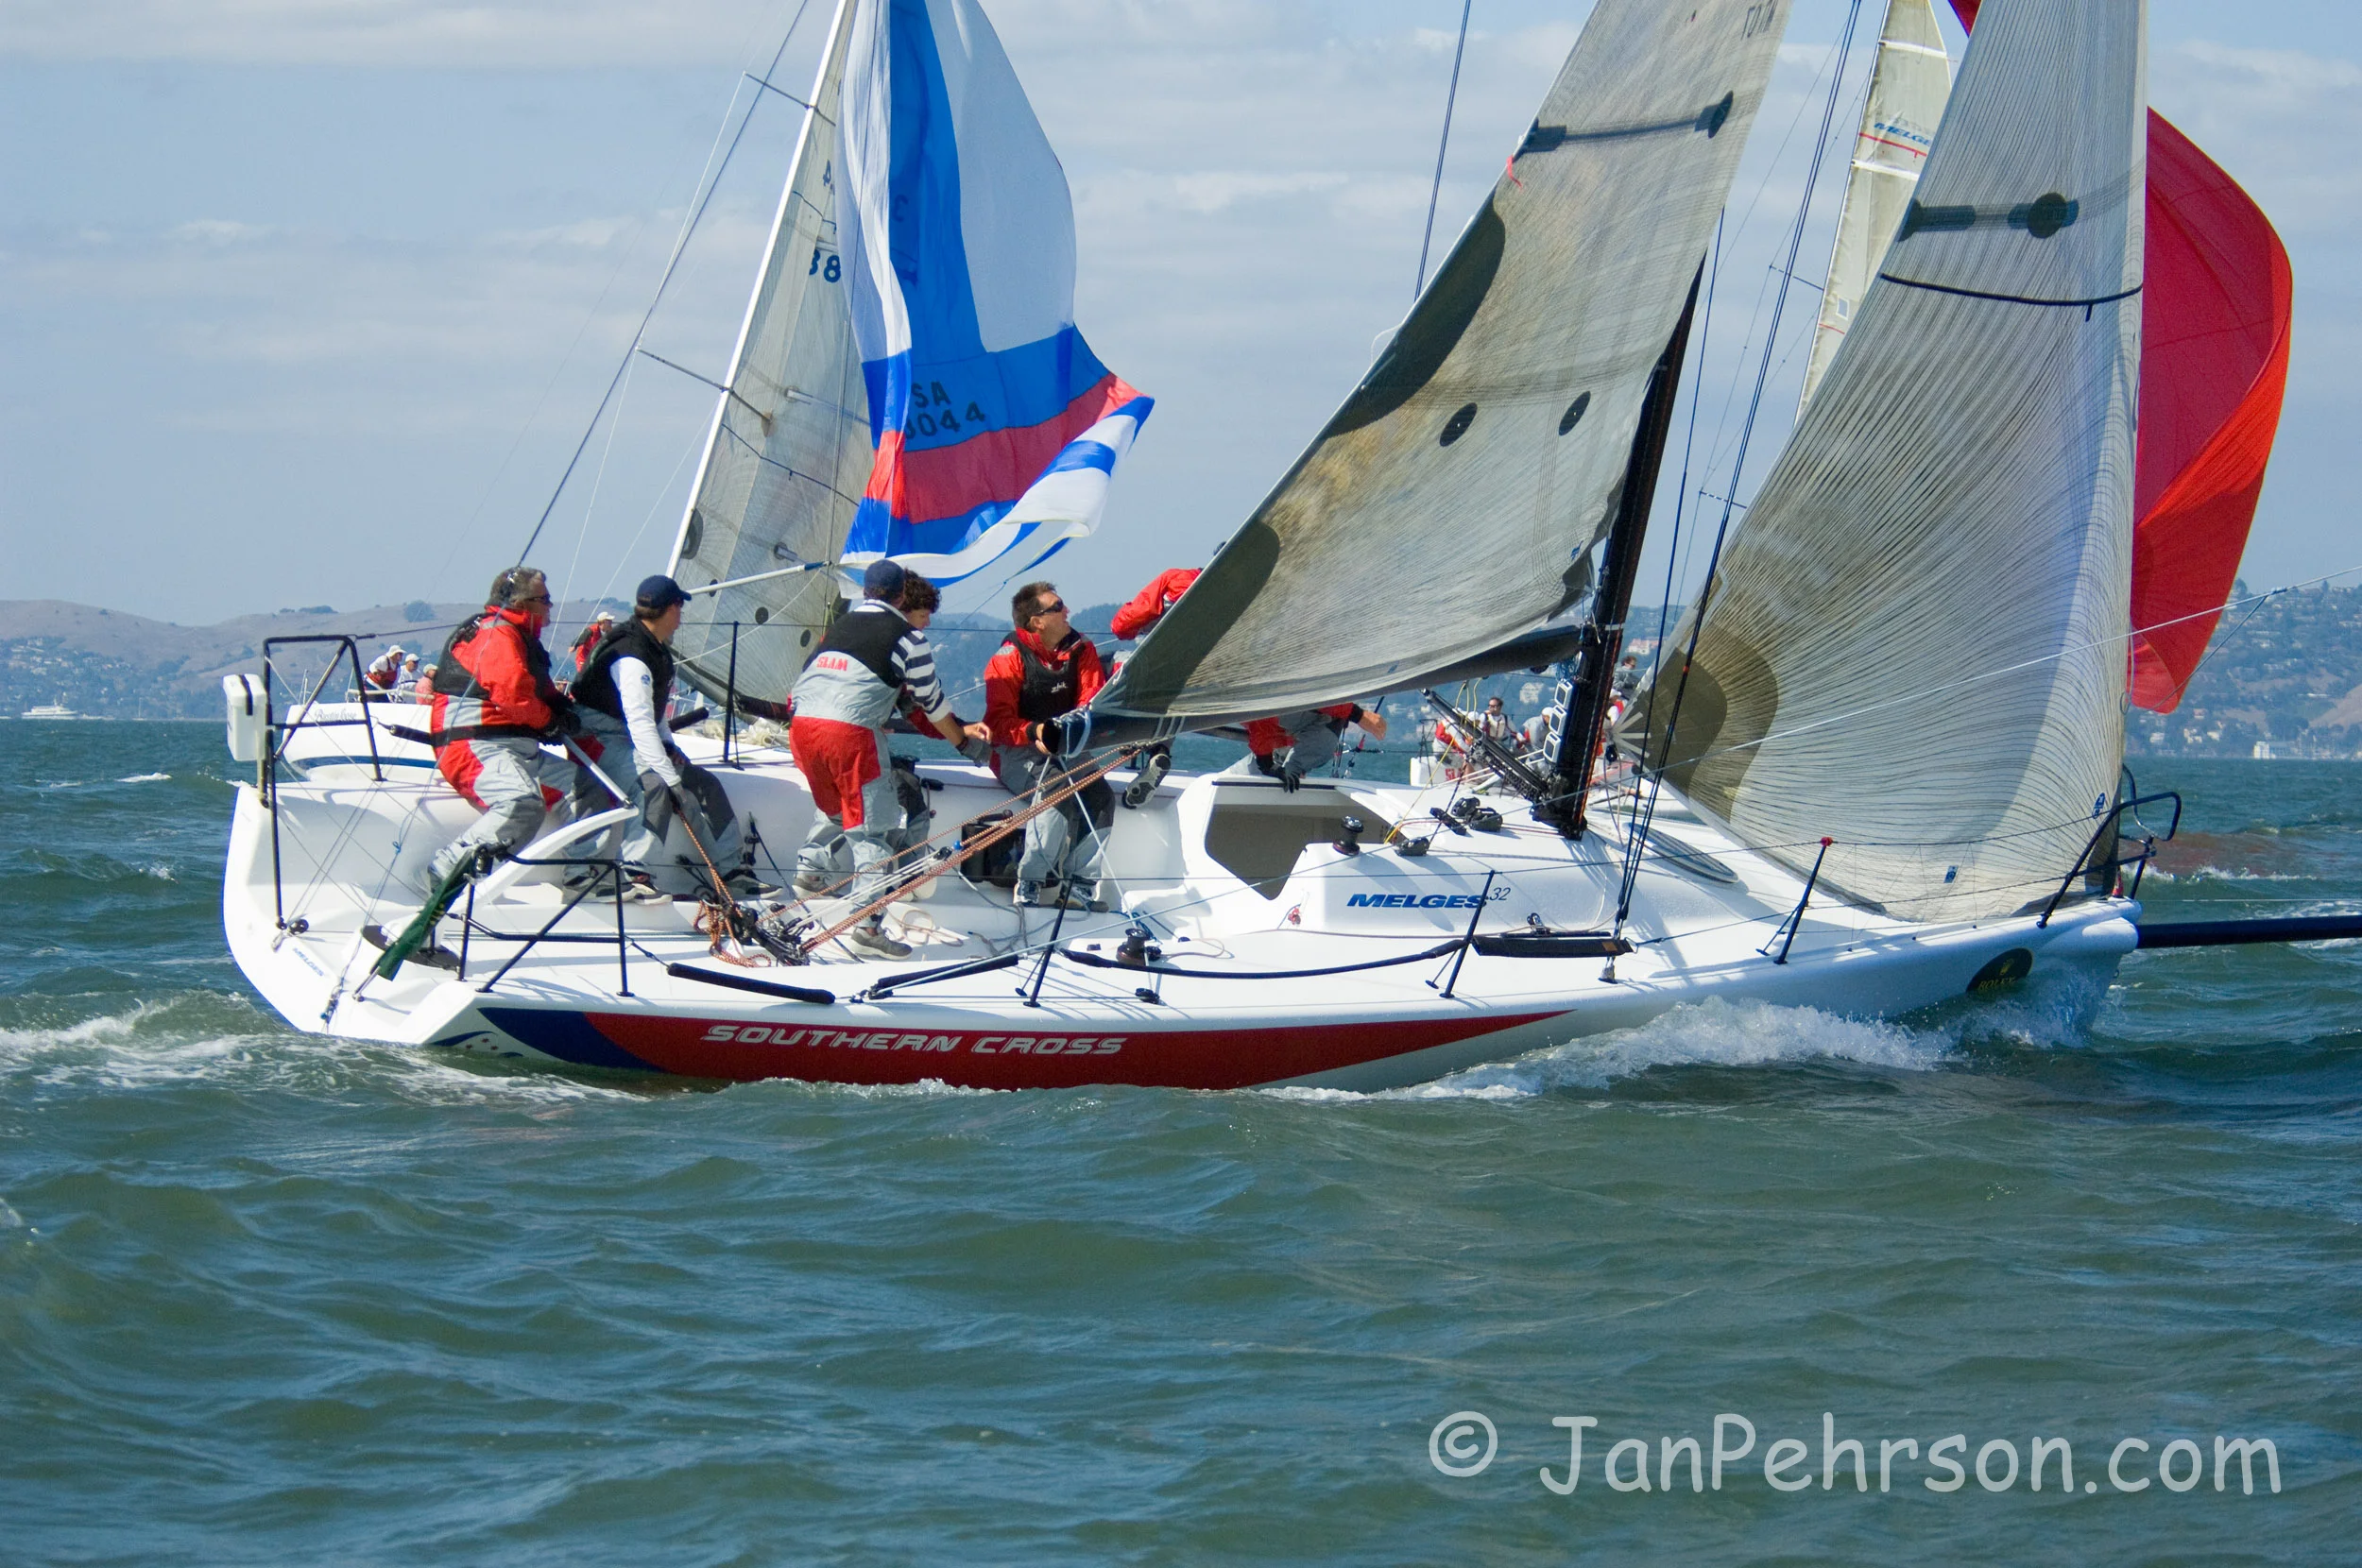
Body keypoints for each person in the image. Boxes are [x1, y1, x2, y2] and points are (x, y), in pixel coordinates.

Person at [790, 560, 987, 958]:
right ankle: (866, 927)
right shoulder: (908, 640)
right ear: (901, 596)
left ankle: (810, 875)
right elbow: (931, 703)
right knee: (873, 830)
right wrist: (964, 744)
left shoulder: (839, 627)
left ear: (866, 591)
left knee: (836, 809)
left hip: (801, 726)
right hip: (849, 733)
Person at [572, 574, 768, 901]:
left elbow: (655, 714)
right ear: (670, 609)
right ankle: (635, 872)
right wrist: (665, 772)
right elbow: (638, 721)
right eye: (679, 607)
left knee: (703, 783)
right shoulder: (633, 655)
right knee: (655, 785)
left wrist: (671, 749)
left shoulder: (653, 647)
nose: (681, 617)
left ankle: (731, 872)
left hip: (626, 733)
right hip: (597, 734)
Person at [421, 567, 581, 887]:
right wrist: (548, 722)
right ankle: (446, 871)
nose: (550, 606)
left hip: (515, 748)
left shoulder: (521, 639)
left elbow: (536, 689)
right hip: (474, 745)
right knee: (521, 802)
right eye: (545, 599)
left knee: (586, 789)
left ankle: (585, 872)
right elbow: (512, 693)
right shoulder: (497, 633)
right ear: (522, 603)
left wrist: (563, 709)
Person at [984, 581, 1111, 909]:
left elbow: (1090, 704)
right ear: (1036, 621)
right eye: (1057, 607)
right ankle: (1029, 882)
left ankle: (1081, 885)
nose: (1067, 610)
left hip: (1067, 746)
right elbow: (998, 723)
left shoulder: (1082, 650)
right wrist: (1034, 732)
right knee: (1056, 791)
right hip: (1016, 750)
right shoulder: (1008, 658)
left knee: (1100, 796)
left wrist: (1067, 735)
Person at [1107, 566, 1201, 807]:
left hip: (1152, 669)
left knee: (1109, 664)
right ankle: (1161, 749)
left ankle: (1126, 736)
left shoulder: (1179, 579)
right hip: (1201, 678)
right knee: (1176, 695)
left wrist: (1133, 629)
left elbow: (1122, 625)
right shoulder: (1255, 599)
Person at [1244, 703, 1388, 791]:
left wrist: (1266, 763)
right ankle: (1292, 773)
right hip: (1275, 724)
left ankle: (1284, 769)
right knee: (1335, 721)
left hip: (1273, 729)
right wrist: (1358, 715)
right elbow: (1313, 691)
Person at [569, 611, 615, 683]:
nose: (611, 622)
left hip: (594, 657)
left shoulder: (609, 632)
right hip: (583, 657)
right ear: (602, 622)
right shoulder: (591, 630)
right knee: (584, 676)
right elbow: (581, 637)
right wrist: (574, 645)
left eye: (610, 621)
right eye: (608, 621)